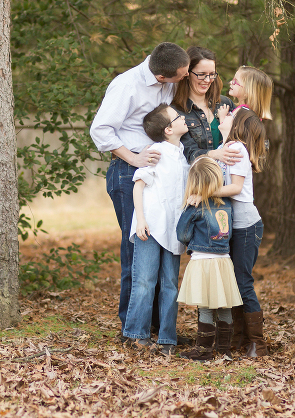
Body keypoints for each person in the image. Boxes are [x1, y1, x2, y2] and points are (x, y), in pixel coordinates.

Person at [90, 43, 190, 337]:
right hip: (128, 171)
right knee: (136, 250)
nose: (183, 79)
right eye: (181, 76)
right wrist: (134, 158)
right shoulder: (126, 86)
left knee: (160, 248)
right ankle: (131, 328)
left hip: (158, 171)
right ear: (162, 76)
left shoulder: (168, 81)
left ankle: (158, 328)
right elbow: (100, 130)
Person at [122, 104, 189, 356]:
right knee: (145, 281)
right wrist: (140, 220)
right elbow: (138, 186)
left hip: (172, 230)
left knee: (170, 284)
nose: (185, 118)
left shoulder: (181, 153)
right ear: (168, 129)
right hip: (149, 226)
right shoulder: (156, 151)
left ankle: (167, 338)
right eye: (178, 117)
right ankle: (136, 334)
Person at [213, 107, 269, 357]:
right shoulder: (229, 146)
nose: (225, 114)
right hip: (234, 225)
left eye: (230, 115)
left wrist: (205, 192)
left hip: (246, 225)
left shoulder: (236, 148)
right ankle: (239, 339)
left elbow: (234, 188)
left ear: (237, 125)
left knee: (242, 282)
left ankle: (257, 343)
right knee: (234, 282)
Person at [176, 157, 243, 362]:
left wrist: (188, 210)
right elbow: (228, 234)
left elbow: (183, 235)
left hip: (203, 261)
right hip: (223, 261)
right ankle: (224, 350)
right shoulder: (227, 204)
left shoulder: (195, 206)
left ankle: (204, 350)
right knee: (224, 304)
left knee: (205, 305)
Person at [172, 47, 241, 164]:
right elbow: (188, 151)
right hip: (198, 178)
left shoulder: (225, 103)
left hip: (230, 176)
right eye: (201, 74)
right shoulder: (176, 111)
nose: (208, 80)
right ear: (187, 74)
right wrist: (215, 154)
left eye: (212, 74)